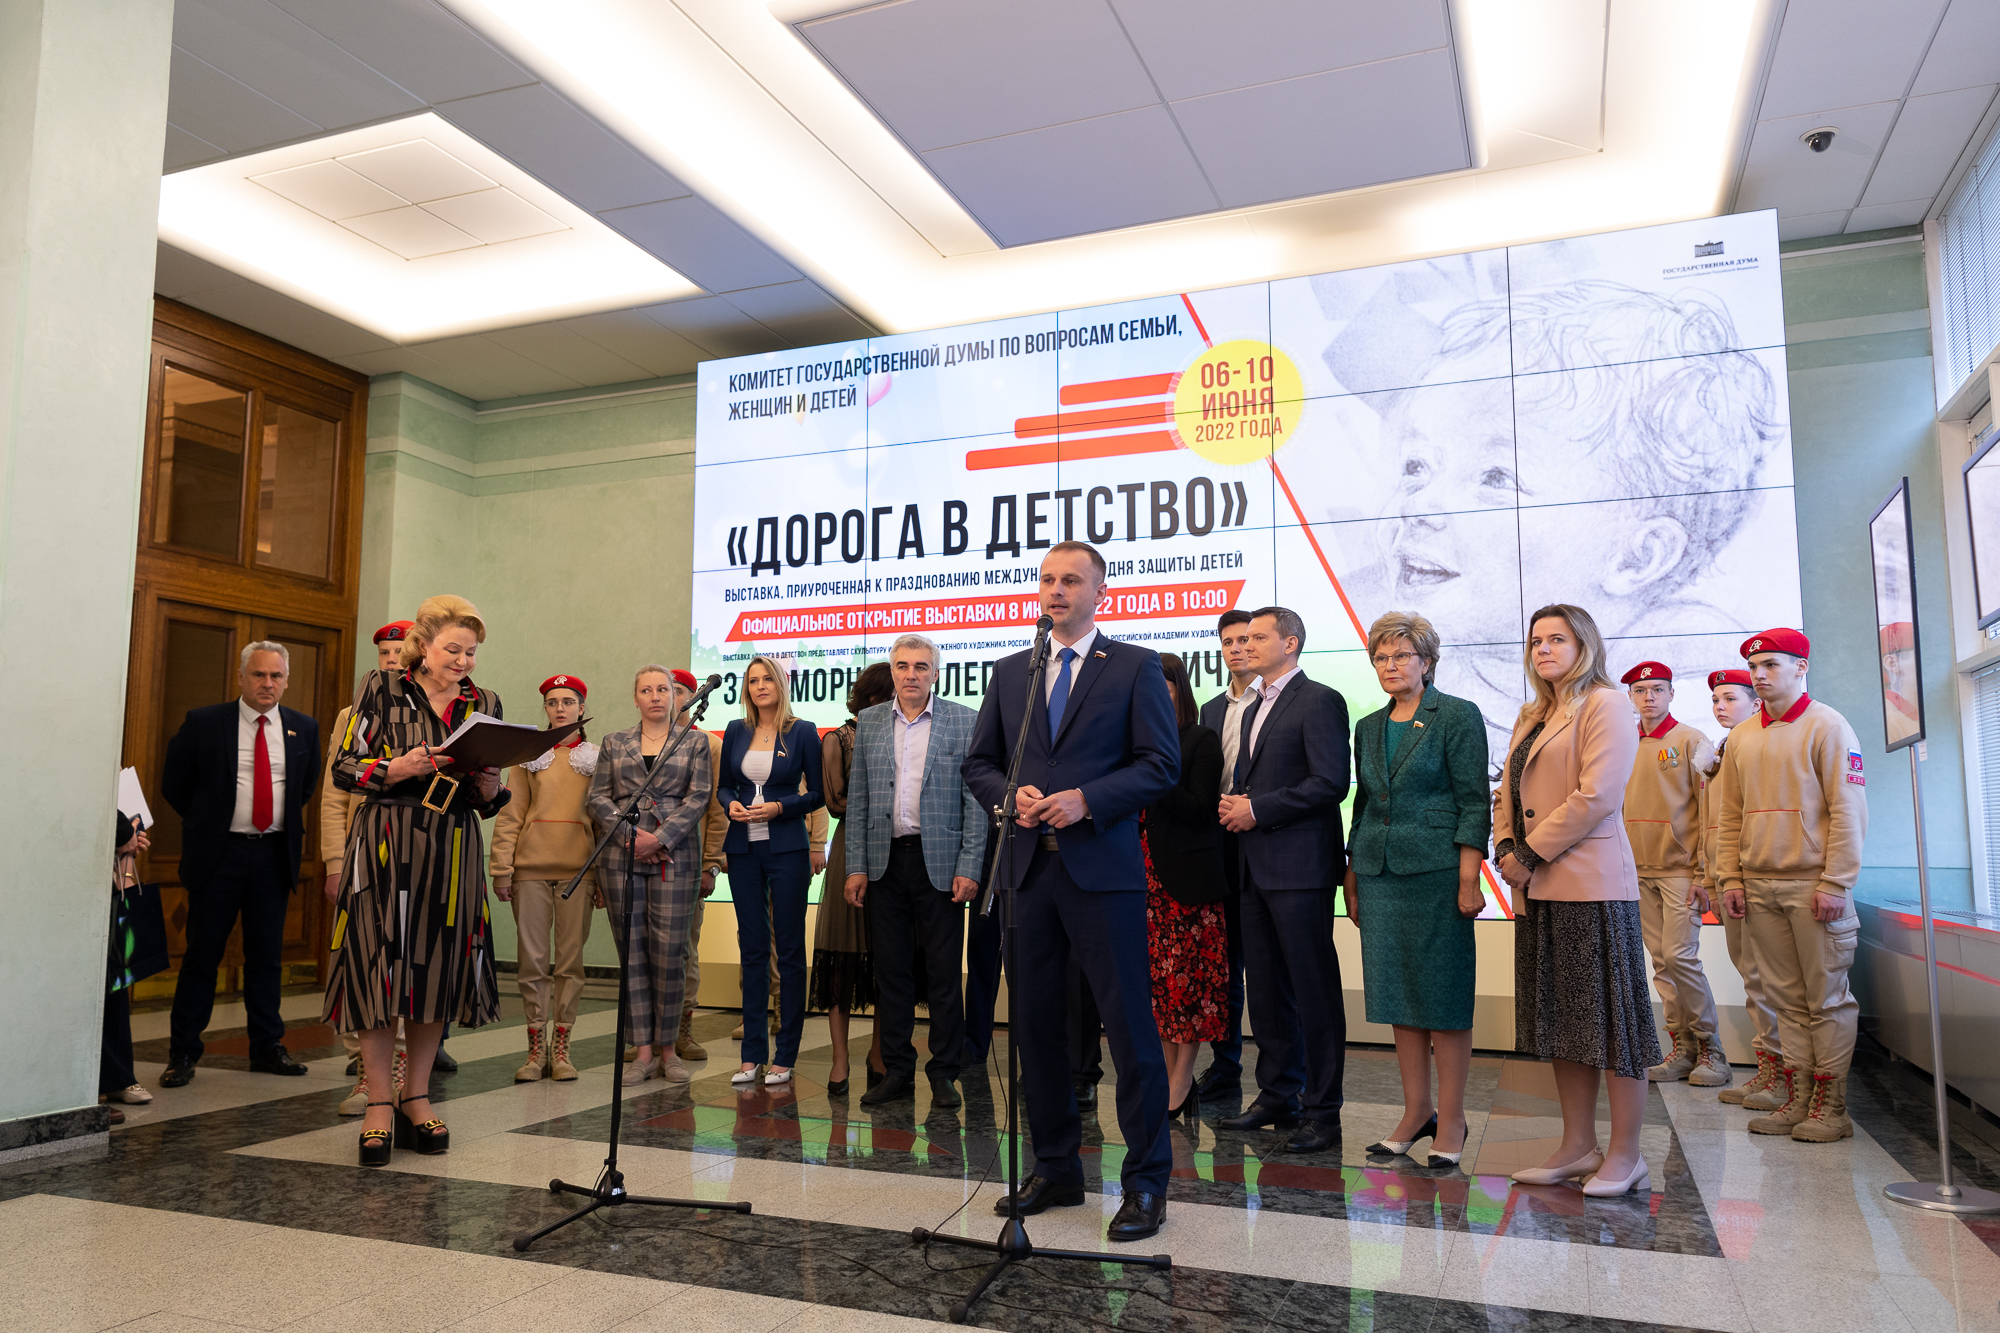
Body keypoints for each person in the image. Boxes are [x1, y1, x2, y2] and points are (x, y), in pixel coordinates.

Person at [963, 540, 1179, 1243]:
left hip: (1103, 872)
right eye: (1048, 579)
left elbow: (1161, 764)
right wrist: (1010, 797)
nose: (1056, 590)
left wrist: (1089, 798)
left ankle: (1145, 1182)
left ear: (1100, 592)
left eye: (1071, 580)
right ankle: (1056, 1166)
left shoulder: (1135, 666)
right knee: (1036, 1027)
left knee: (1129, 1028)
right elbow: (980, 763)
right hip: (1027, 873)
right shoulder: (1012, 671)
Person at [324, 595, 507, 1166]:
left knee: (436, 969)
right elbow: (343, 767)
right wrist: (396, 767)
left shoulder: (484, 702)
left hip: (452, 844)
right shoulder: (380, 688)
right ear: (422, 646)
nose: (463, 662)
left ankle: (417, 1096)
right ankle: (379, 1101)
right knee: (379, 969)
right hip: (386, 839)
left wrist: (491, 783)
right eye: (453, 649)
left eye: (471, 652)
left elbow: (486, 799)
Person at [1496, 604, 1656, 1198]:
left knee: (1614, 1025)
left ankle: (1626, 1155)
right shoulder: (1532, 712)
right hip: (1538, 888)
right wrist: (1505, 845)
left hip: (1591, 887)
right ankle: (1577, 1146)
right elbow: (1506, 792)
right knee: (1565, 1023)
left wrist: (1529, 852)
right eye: (1535, 640)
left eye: (1556, 639)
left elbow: (1597, 796)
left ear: (1583, 646)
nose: (1542, 649)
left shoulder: (1606, 703)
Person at [1345, 611, 1489, 1167]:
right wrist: (1352, 873)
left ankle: (1451, 1119)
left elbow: (1474, 801)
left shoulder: (1456, 714)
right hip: (1378, 874)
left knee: (1442, 998)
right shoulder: (1368, 726)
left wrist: (1469, 877)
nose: (1390, 665)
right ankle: (1415, 1112)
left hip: (1437, 875)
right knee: (1398, 997)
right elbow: (1364, 805)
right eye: (1380, 657)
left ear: (1426, 662)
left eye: (1401, 655)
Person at [1714, 628, 1868, 1143]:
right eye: (1754, 667)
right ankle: (1799, 1096)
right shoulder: (1743, 736)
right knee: (1785, 998)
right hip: (1759, 884)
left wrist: (1836, 882)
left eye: (1771, 665)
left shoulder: (1828, 726)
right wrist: (1730, 877)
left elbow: (1848, 811)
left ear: (1801, 667)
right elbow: (1729, 815)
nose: (1759, 675)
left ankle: (1831, 1107)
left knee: (1826, 999)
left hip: (1813, 885)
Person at [1215, 607, 1352, 1154]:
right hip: (1251, 867)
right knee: (1267, 991)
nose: (1245, 644)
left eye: (1257, 636)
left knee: (1313, 992)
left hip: (1299, 869)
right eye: (1241, 638)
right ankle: (1278, 1095)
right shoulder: (1252, 706)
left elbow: (1331, 782)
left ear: (1290, 643)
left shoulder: (1318, 699)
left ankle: (1323, 1111)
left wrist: (1258, 809)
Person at [159, 641, 321, 1088]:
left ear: (286, 680)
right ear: (241, 677)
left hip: (272, 855)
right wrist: (208, 822)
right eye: (259, 675)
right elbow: (174, 783)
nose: (267, 683)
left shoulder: (303, 728)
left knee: (266, 958)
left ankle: (267, 1047)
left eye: (275, 676)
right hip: (219, 855)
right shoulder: (205, 722)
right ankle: (183, 1052)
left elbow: (304, 788)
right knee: (202, 956)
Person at [844, 635, 985, 1107]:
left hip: (940, 864)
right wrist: (856, 867)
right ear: (893, 672)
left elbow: (975, 802)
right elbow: (859, 799)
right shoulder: (870, 722)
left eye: (921, 666)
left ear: (936, 674)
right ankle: (897, 1071)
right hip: (885, 862)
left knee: (943, 975)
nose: (911, 674)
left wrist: (970, 866)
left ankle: (943, 1072)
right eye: (903, 666)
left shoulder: (963, 720)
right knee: (892, 974)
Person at [589, 666, 712, 1085]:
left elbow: (699, 797)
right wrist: (630, 836)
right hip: (620, 855)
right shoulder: (614, 741)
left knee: (670, 955)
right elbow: (597, 797)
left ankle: (668, 1051)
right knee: (633, 954)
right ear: (636, 698)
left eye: (663, 689)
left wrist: (659, 838)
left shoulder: (694, 740)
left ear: (675, 697)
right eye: (647, 690)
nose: (656, 696)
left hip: (675, 856)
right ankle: (642, 1053)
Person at [1618, 660, 1728, 1089]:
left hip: (1681, 870)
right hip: (1636, 870)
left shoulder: (1690, 740)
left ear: (1671, 694)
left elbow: (1707, 809)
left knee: (1681, 957)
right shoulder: (1622, 741)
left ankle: (1712, 1050)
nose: (1649, 697)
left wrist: (1703, 872)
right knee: (1662, 962)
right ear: (1630, 696)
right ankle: (1682, 1049)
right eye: (1641, 690)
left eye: (1658, 689)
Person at [718, 655, 825, 1085]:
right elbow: (724, 785)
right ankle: (752, 1056)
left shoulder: (802, 731)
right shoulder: (735, 729)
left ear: (781, 684)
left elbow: (818, 794)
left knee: (790, 950)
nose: (760, 686)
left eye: (767, 679)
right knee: (753, 950)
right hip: (743, 849)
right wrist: (731, 803)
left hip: (787, 849)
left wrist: (781, 807)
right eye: (752, 680)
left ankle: (786, 1055)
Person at [491, 674, 600, 1082]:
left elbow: (603, 821)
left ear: (581, 708)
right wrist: (501, 868)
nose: (560, 708)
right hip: (530, 871)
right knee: (532, 962)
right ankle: (536, 1048)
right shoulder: (527, 758)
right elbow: (510, 815)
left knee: (570, 964)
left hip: (579, 873)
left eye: (568, 701)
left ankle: (562, 1047)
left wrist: (602, 877)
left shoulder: (596, 757)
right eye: (553, 702)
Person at [325, 621, 412, 1116]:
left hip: (410, 854)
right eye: (385, 653)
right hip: (363, 854)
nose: (392, 660)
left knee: (405, 961)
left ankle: (401, 1071)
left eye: (401, 651)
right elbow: (334, 796)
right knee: (362, 960)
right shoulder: (352, 714)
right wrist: (334, 862)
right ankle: (365, 1071)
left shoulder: (426, 709)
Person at [1142, 652, 1227, 1121]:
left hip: (1186, 884)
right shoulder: (1134, 743)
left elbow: (1199, 809)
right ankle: (1172, 1077)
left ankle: (1181, 1078)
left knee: (1189, 987)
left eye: (1165, 685)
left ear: (1179, 690)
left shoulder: (1200, 738)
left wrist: (1155, 774)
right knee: (1158, 987)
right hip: (1142, 881)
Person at [1699, 669, 1784, 1108]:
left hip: (1757, 876)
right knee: (1752, 978)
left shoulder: (1762, 745)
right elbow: (1711, 822)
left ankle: (1784, 1076)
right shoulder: (1722, 749)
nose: (1720, 706)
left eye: (1730, 698)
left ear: (1755, 703)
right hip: (1726, 877)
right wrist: (1709, 877)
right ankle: (1768, 1069)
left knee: (1772, 981)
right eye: (1716, 699)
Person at [814, 662, 893, 1094]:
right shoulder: (839, 738)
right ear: (870, 697)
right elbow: (835, 802)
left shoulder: (903, 734)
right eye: (888, 694)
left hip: (894, 850)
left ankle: (878, 1052)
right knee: (841, 957)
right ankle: (840, 1058)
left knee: (887, 959)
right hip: (850, 848)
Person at [1194, 609, 1257, 1099]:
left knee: (1269, 968)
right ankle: (1225, 1064)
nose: (1236, 649)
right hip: (1219, 844)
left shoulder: (1275, 701)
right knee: (1224, 963)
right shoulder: (1211, 709)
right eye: (1228, 642)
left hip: (1264, 837)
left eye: (1244, 640)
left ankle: (1286, 1079)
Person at [672, 668, 729, 1066]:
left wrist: (712, 863)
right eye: (663, 690)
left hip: (690, 863)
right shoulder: (638, 741)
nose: (670, 698)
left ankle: (682, 1029)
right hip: (646, 862)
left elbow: (717, 809)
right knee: (644, 950)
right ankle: (647, 1032)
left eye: (678, 691)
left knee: (686, 951)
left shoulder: (709, 744)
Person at [101, 813, 153, 1120]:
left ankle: (117, 1076)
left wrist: (128, 838)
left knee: (114, 975)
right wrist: (125, 832)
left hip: (105, 863)